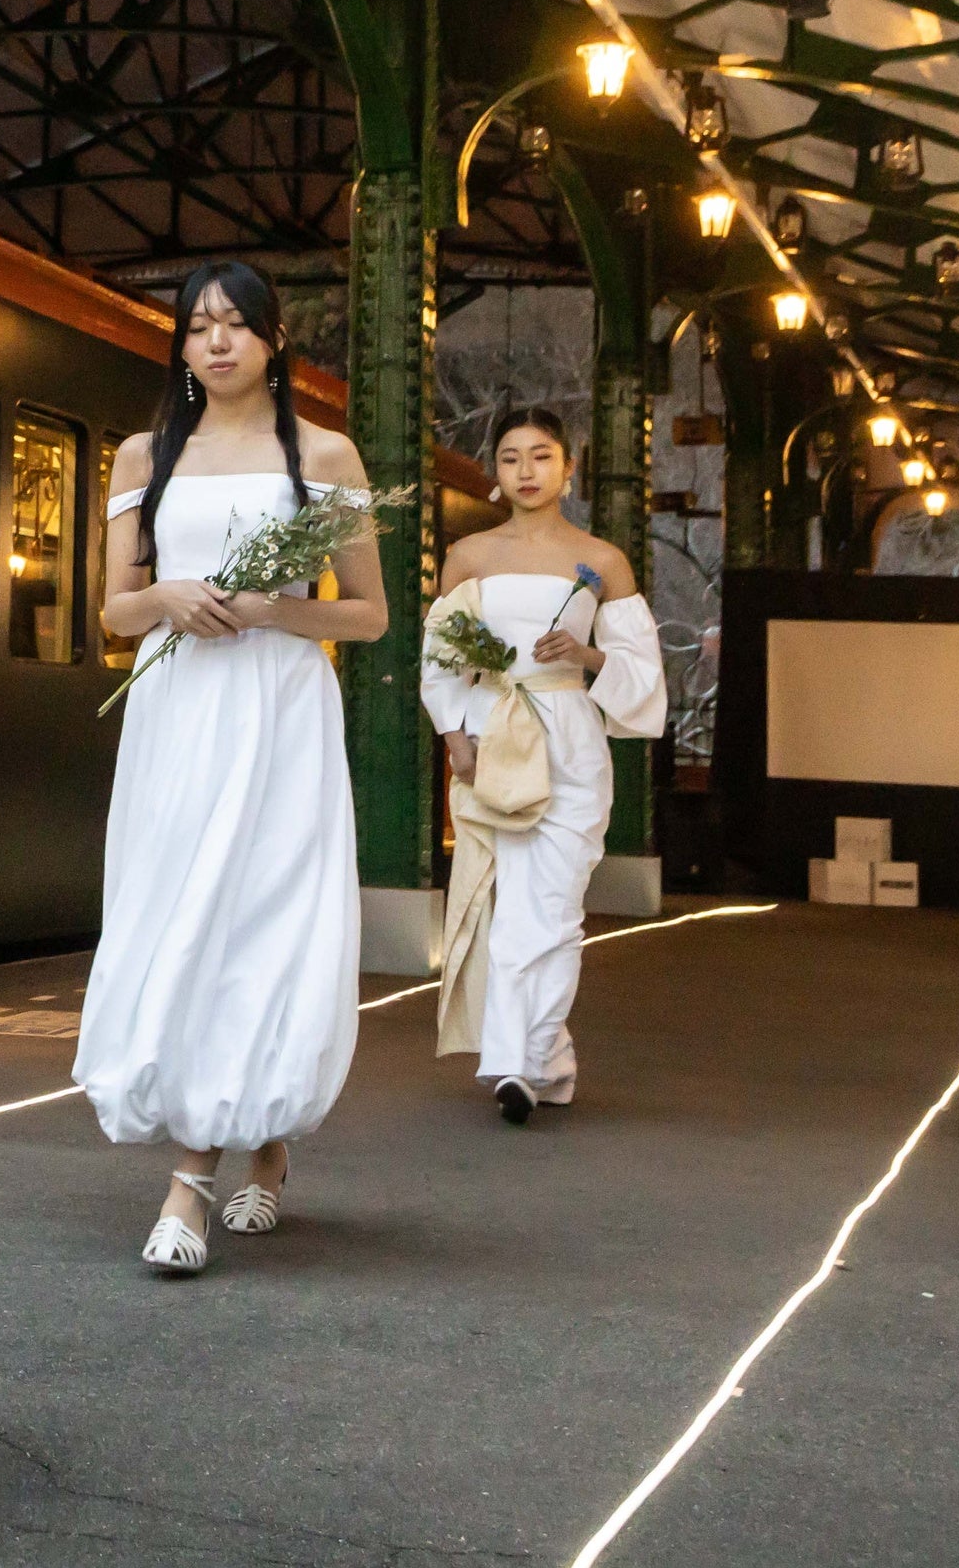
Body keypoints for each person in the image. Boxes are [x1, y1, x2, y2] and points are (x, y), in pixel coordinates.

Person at [72, 261, 389, 1275]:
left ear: (274, 338)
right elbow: (114, 611)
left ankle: (192, 1181)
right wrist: (168, 597)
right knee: (182, 913)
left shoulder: (326, 453)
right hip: (177, 710)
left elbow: (368, 615)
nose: (216, 342)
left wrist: (268, 608)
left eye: (237, 324)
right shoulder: (144, 454)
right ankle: (260, 1142)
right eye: (198, 325)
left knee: (260, 918)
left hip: (281, 710)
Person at [420, 407, 667, 1122]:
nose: (526, 470)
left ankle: (529, 1062)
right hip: (495, 735)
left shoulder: (604, 561)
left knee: (554, 908)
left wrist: (586, 656)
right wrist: (456, 739)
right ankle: (529, 1064)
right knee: (507, 907)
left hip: (571, 742)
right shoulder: (468, 556)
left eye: (541, 455)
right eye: (510, 457)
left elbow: (642, 673)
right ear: (495, 472)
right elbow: (441, 659)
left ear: (569, 467)